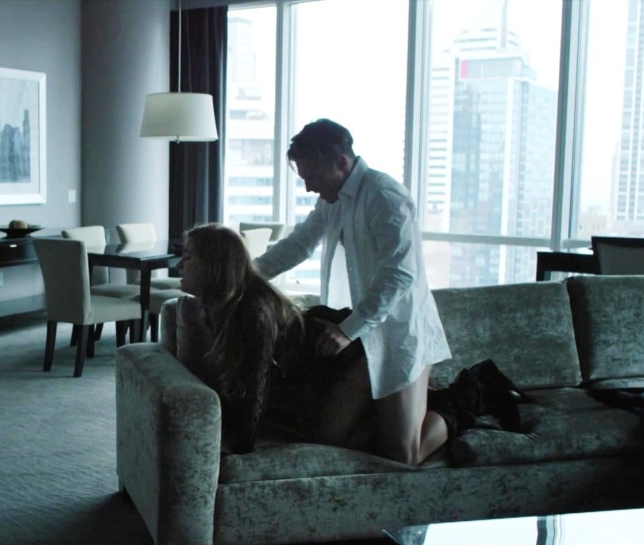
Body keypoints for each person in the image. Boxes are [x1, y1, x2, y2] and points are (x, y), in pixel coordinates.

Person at [253, 119, 451, 465]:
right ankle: (412, 406)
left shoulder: (385, 196)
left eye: (313, 178)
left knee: (404, 454)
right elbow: (299, 244)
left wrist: (347, 330)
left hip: (399, 333)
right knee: (331, 437)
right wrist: (244, 275)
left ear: (341, 162)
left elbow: (400, 274)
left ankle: (459, 408)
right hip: (363, 335)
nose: (309, 188)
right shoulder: (332, 200)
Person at [176, 224, 374, 455]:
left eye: (187, 257)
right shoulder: (218, 305)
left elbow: (255, 384)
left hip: (353, 355)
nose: (179, 266)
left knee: (328, 443)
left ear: (214, 265)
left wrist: (239, 451)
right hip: (319, 370)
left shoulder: (252, 309)